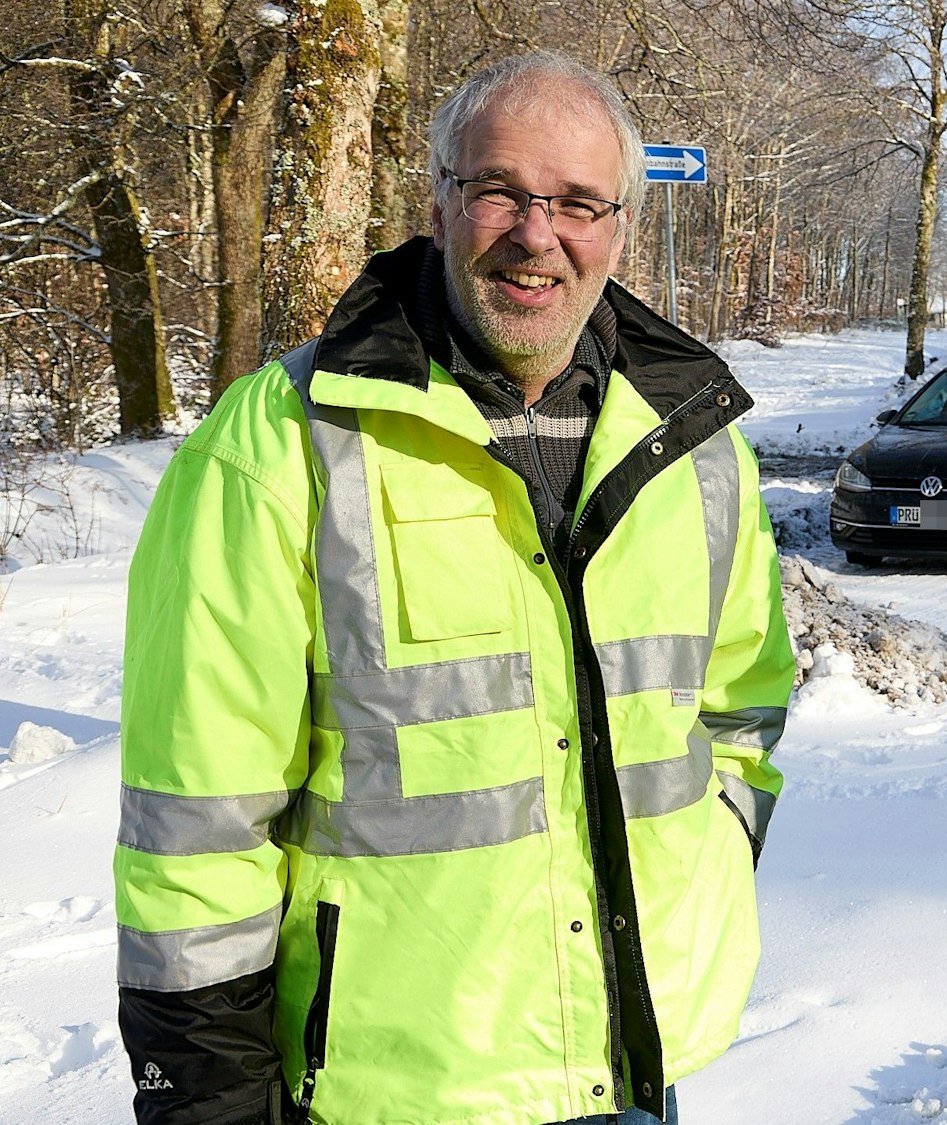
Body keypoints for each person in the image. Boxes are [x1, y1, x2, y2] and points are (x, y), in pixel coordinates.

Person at [114, 51, 794, 1125]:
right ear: (437, 202)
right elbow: (195, 819)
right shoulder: (283, 441)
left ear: (620, 226)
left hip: (638, 1063)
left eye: (576, 202)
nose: (537, 235)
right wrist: (208, 1101)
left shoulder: (696, 447)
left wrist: (711, 858)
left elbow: (742, 706)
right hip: (388, 1091)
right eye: (500, 192)